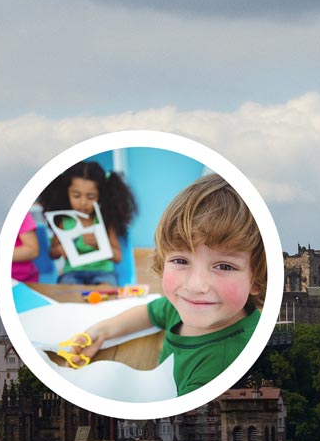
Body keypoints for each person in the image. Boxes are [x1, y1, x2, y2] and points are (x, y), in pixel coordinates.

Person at [65, 173, 263, 395]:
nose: (196, 285)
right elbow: (150, 313)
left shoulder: (220, 370)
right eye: (181, 261)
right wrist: (102, 330)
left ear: (256, 278)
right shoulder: (182, 305)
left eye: (224, 266)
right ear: (163, 261)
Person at [35, 160, 135, 284]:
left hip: (103, 273)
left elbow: (117, 257)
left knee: (105, 293)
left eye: (91, 197)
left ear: (101, 196)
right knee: (69, 293)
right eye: (76, 195)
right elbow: (52, 253)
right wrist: (60, 250)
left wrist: (99, 244)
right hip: (72, 273)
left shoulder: (105, 221)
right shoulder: (65, 221)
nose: (83, 202)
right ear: (67, 193)